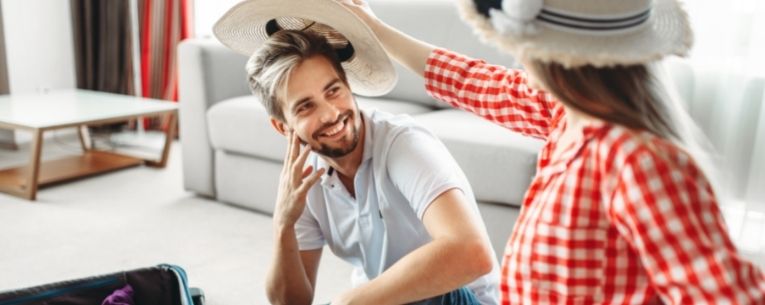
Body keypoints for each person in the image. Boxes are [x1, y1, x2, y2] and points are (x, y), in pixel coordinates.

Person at [340, 0, 765, 303]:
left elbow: (727, 294)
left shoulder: (636, 161)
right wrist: (375, 31)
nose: (513, 55)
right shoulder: (567, 115)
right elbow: (478, 82)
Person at [214, 2, 501, 303]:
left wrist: (348, 302)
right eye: (306, 106)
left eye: (333, 91)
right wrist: (283, 223)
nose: (330, 114)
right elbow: (291, 302)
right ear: (282, 127)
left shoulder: (403, 145)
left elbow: (472, 253)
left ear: (348, 86)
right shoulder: (304, 178)